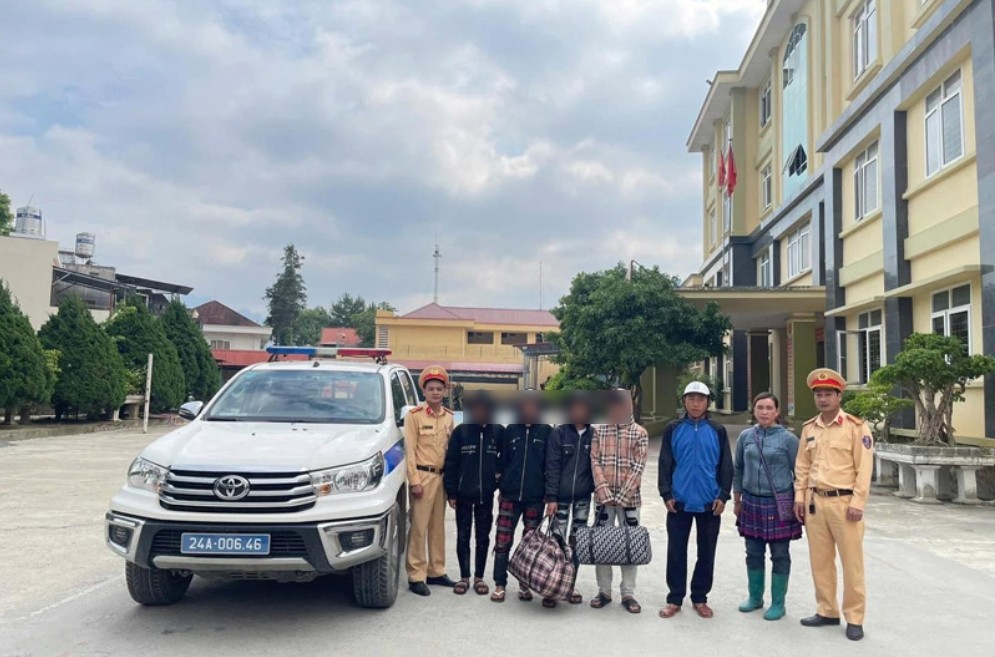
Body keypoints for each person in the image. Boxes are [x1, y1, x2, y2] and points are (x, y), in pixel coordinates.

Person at [795, 368, 874, 642]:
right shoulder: (809, 428)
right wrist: (799, 498)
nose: (823, 398)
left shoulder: (855, 427)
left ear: (839, 395)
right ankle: (826, 610)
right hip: (816, 503)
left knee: (852, 563)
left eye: (828, 393)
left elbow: (864, 468)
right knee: (820, 561)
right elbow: (802, 466)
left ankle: (854, 617)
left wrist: (858, 501)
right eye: (819, 394)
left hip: (845, 504)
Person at [658, 381, 733, 620]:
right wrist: (666, 494)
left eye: (700, 399)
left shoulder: (717, 430)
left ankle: (700, 597)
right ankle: (674, 598)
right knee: (676, 551)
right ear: (684, 402)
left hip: (709, 502)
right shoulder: (674, 428)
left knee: (707, 551)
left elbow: (726, 466)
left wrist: (723, 495)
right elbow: (665, 463)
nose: (696, 403)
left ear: (708, 402)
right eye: (691, 399)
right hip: (678, 501)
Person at [733, 392, 802, 621]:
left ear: (777, 411)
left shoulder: (788, 440)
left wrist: (799, 501)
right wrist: (737, 499)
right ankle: (755, 598)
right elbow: (738, 469)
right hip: (751, 501)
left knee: (780, 554)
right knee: (753, 552)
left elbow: (800, 473)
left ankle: (778, 603)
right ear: (754, 410)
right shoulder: (746, 437)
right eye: (760, 407)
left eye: (769, 408)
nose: (764, 412)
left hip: (779, 503)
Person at [589, 390, 649, 615]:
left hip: (630, 500)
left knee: (630, 545)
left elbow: (639, 466)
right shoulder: (599, 431)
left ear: (629, 406)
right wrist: (603, 491)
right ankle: (604, 591)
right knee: (602, 544)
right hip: (603, 499)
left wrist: (623, 496)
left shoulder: (639, 433)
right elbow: (594, 460)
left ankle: (628, 593)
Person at [491, 392, 551, 603]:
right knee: (503, 540)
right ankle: (499, 583)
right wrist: (500, 486)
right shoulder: (511, 431)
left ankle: (525, 584)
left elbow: (550, 465)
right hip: (510, 495)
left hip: (535, 497)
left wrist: (549, 494)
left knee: (530, 544)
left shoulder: (546, 431)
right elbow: (501, 461)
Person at [404, 366, 456, 596]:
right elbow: (410, 450)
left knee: (437, 527)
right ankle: (416, 575)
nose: (435, 392)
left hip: (442, 477)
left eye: (439, 388)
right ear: (423, 390)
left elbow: (451, 452)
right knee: (418, 527)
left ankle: (436, 571)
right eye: (431, 388)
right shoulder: (414, 416)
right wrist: (414, 480)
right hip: (422, 477)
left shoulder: (449, 418)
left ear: (445, 391)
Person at [443, 391, 501, 596]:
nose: (480, 412)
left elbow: (505, 461)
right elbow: (451, 463)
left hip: (486, 495)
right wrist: (451, 492)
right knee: (463, 536)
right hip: (463, 494)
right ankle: (464, 576)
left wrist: (498, 481)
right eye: (476, 408)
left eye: (484, 408)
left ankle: (479, 577)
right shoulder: (461, 432)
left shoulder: (498, 432)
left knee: (483, 537)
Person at [542, 392, 595, 608]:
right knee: (556, 542)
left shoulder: (594, 435)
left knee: (576, 542)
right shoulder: (559, 433)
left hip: (583, 498)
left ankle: (569, 585)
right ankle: (552, 589)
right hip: (560, 498)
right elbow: (552, 466)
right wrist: (551, 497)